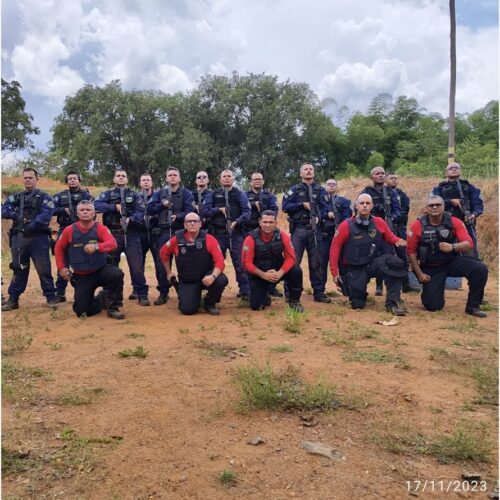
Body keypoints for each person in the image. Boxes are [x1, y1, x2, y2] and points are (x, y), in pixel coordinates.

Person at [407, 194, 488, 318]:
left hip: (451, 262)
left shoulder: (454, 221)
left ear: (443, 207)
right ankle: (430, 290)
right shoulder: (417, 225)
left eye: (438, 205)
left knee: (479, 268)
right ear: (426, 208)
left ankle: (473, 306)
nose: (434, 207)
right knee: (433, 306)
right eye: (431, 205)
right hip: (431, 267)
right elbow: (411, 251)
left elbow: (469, 243)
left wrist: (453, 247)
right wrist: (419, 274)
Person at [329, 193, 407, 316]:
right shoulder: (346, 225)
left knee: (394, 263)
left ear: (372, 206)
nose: (364, 206)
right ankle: (358, 293)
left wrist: (398, 241)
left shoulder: (379, 222)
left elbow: (390, 237)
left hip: (373, 264)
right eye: (361, 203)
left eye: (367, 203)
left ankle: (393, 303)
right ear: (356, 206)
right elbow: (335, 250)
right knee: (357, 305)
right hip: (354, 268)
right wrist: (335, 274)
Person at [2, 168, 61, 311]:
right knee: (18, 268)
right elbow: (3, 210)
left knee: (44, 269)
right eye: (25, 177)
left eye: (30, 177)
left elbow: (46, 215)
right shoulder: (16, 197)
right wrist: (16, 217)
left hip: (38, 238)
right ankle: (13, 299)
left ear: (37, 179)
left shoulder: (45, 197)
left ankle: (51, 297)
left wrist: (30, 226)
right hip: (19, 238)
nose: (27, 180)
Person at [54, 200, 125, 319]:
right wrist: (62, 267)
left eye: (88, 210)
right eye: (82, 210)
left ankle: (113, 307)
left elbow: (113, 244)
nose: (85, 212)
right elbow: (58, 248)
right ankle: (101, 300)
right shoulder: (69, 230)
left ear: (94, 214)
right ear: (77, 214)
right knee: (81, 312)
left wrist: (97, 246)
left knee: (116, 274)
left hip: (101, 270)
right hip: (82, 275)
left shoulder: (100, 228)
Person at [94, 169, 150, 306]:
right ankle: (110, 295)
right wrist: (114, 207)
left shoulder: (135, 195)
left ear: (127, 180)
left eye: (123, 176)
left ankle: (141, 294)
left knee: (136, 266)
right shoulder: (107, 194)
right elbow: (96, 206)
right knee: (111, 266)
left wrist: (130, 219)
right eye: (118, 176)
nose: (120, 178)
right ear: (114, 179)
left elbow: (141, 211)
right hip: (112, 234)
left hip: (131, 234)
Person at [159, 212, 228, 315]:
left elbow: (220, 262)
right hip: (188, 280)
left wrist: (212, 277)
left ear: (200, 224)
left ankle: (209, 303)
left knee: (221, 280)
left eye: (195, 221)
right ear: (184, 225)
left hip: (207, 277)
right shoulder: (176, 240)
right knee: (187, 310)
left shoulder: (209, 239)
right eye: (189, 221)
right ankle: (185, 294)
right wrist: (169, 272)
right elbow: (163, 253)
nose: (192, 224)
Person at [282, 163, 330, 303]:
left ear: (314, 173)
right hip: (299, 229)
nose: (308, 171)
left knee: (317, 262)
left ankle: (319, 293)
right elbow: (285, 206)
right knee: (293, 261)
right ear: (300, 173)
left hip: (315, 230)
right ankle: (290, 293)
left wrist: (319, 216)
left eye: (311, 169)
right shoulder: (294, 189)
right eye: (305, 169)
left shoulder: (320, 190)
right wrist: (301, 205)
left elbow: (326, 208)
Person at [147, 167, 195, 305]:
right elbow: (149, 209)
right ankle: (163, 292)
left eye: (175, 175)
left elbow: (190, 212)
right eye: (170, 175)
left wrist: (178, 216)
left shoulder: (186, 194)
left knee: (185, 262)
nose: (172, 177)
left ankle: (186, 290)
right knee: (161, 262)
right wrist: (162, 205)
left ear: (179, 178)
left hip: (181, 232)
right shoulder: (159, 193)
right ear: (166, 178)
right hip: (162, 233)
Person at [202, 169, 251, 300]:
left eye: (229, 176)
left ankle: (245, 292)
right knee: (215, 263)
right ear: (220, 179)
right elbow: (204, 212)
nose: (227, 178)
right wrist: (218, 210)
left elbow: (247, 213)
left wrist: (236, 222)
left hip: (236, 234)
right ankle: (213, 293)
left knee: (240, 263)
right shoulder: (213, 195)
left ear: (233, 178)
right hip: (217, 234)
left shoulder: (240, 194)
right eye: (224, 176)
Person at [242, 210, 304, 312]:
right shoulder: (250, 238)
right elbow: (246, 264)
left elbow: (291, 258)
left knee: (296, 270)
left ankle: (294, 301)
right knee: (256, 307)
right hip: (259, 273)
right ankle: (264, 294)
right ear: (260, 222)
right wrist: (263, 275)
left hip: (277, 271)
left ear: (276, 223)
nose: (267, 225)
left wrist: (280, 273)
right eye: (265, 222)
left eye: (271, 222)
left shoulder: (283, 236)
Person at [52, 171, 94, 302]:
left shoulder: (87, 195)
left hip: (83, 230)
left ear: (79, 180)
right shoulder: (60, 196)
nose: (72, 180)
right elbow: (49, 209)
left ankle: (89, 291)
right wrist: (62, 210)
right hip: (65, 229)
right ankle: (60, 292)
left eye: (74, 178)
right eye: (69, 179)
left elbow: (94, 209)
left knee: (87, 260)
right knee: (64, 261)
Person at [360, 166, 402, 296]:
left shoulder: (391, 192)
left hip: (386, 231)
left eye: (382, 173)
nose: (380, 175)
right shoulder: (366, 191)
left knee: (388, 258)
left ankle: (391, 293)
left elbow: (398, 210)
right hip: (370, 230)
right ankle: (362, 288)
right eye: (377, 173)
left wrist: (391, 218)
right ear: (372, 176)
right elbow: (361, 208)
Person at [432, 162, 483, 256]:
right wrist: (450, 201)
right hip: (445, 225)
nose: (454, 169)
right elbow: (432, 204)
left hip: (466, 224)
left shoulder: (469, 187)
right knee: (445, 253)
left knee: (470, 253)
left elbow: (478, 206)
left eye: (456, 168)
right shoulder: (439, 188)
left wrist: (474, 214)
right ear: (446, 173)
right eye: (451, 168)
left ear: (460, 171)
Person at [244, 172, 281, 297]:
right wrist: (254, 206)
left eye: (259, 179)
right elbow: (242, 209)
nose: (257, 181)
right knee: (250, 259)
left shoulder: (269, 196)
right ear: (250, 182)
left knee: (270, 256)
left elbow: (274, 210)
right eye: (254, 179)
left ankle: (271, 287)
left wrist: (263, 211)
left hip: (267, 230)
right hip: (249, 230)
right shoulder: (244, 195)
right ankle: (248, 287)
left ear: (263, 181)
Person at [384, 173, 420, 293]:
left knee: (403, 255)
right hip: (384, 228)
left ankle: (406, 284)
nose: (394, 180)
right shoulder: (381, 193)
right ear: (385, 180)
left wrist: (393, 218)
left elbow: (404, 212)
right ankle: (381, 286)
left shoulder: (402, 195)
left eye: (395, 178)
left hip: (399, 228)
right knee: (383, 255)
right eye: (391, 178)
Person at [129, 173, 161, 301]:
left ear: (152, 183)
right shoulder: (134, 197)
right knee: (138, 262)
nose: (146, 182)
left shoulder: (158, 196)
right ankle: (136, 289)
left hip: (155, 232)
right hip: (139, 232)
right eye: (143, 180)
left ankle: (162, 290)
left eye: (148, 180)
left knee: (159, 262)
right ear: (140, 183)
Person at [320, 179, 352, 292]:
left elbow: (348, 217)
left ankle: (345, 288)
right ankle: (320, 290)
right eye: (329, 184)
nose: (331, 186)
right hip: (324, 236)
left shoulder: (344, 201)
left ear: (337, 186)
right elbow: (316, 213)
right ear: (325, 186)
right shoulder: (320, 201)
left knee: (342, 262)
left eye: (334, 184)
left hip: (339, 236)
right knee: (322, 263)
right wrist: (326, 213)